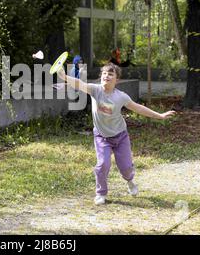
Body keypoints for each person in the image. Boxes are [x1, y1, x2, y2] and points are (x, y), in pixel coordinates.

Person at [57, 63, 176, 205]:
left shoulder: (121, 97)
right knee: (102, 164)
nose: (107, 76)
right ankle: (100, 193)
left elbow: (138, 108)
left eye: (111, 74)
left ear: (116, 80)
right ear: (101, 77)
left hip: (120, 136)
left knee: (125, 168)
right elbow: (79, 83)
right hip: (102, 137)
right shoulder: (95, 90)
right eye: (104, 73)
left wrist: (160, 116)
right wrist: (64, 77)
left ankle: (130, 181)